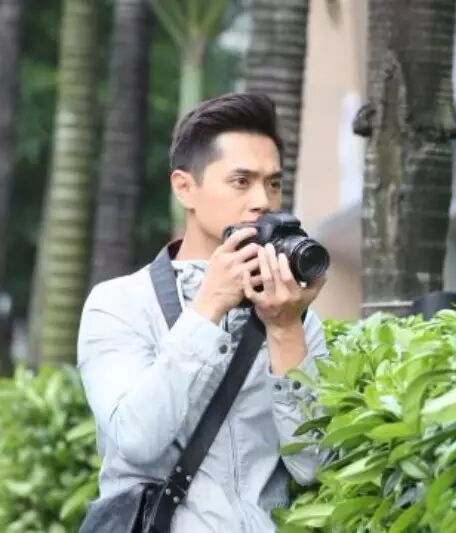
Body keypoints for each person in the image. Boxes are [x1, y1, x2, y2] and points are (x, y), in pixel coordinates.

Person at [77, 92, 328, 532]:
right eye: (241, 181)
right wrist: (208, 308)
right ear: (184, 187)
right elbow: (136, 440)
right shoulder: (119, 304)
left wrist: (286, 330)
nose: (263, 201)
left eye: (273, 184)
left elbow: (315, 465)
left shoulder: (291, 312)